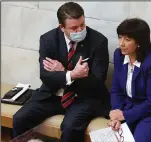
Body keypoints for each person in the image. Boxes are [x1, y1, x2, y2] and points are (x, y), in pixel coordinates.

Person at [12, 2, 111, 142]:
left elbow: (97, 81)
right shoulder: (48, 39)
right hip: (53, 94)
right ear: (62, 27)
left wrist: (63, 71)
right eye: (74, 28)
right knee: (20, 118)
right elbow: (46, 76)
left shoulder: (98, 41)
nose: (80, 30)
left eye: (82, 24)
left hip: (84, 97)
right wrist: (72, 74)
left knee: (70, 127)